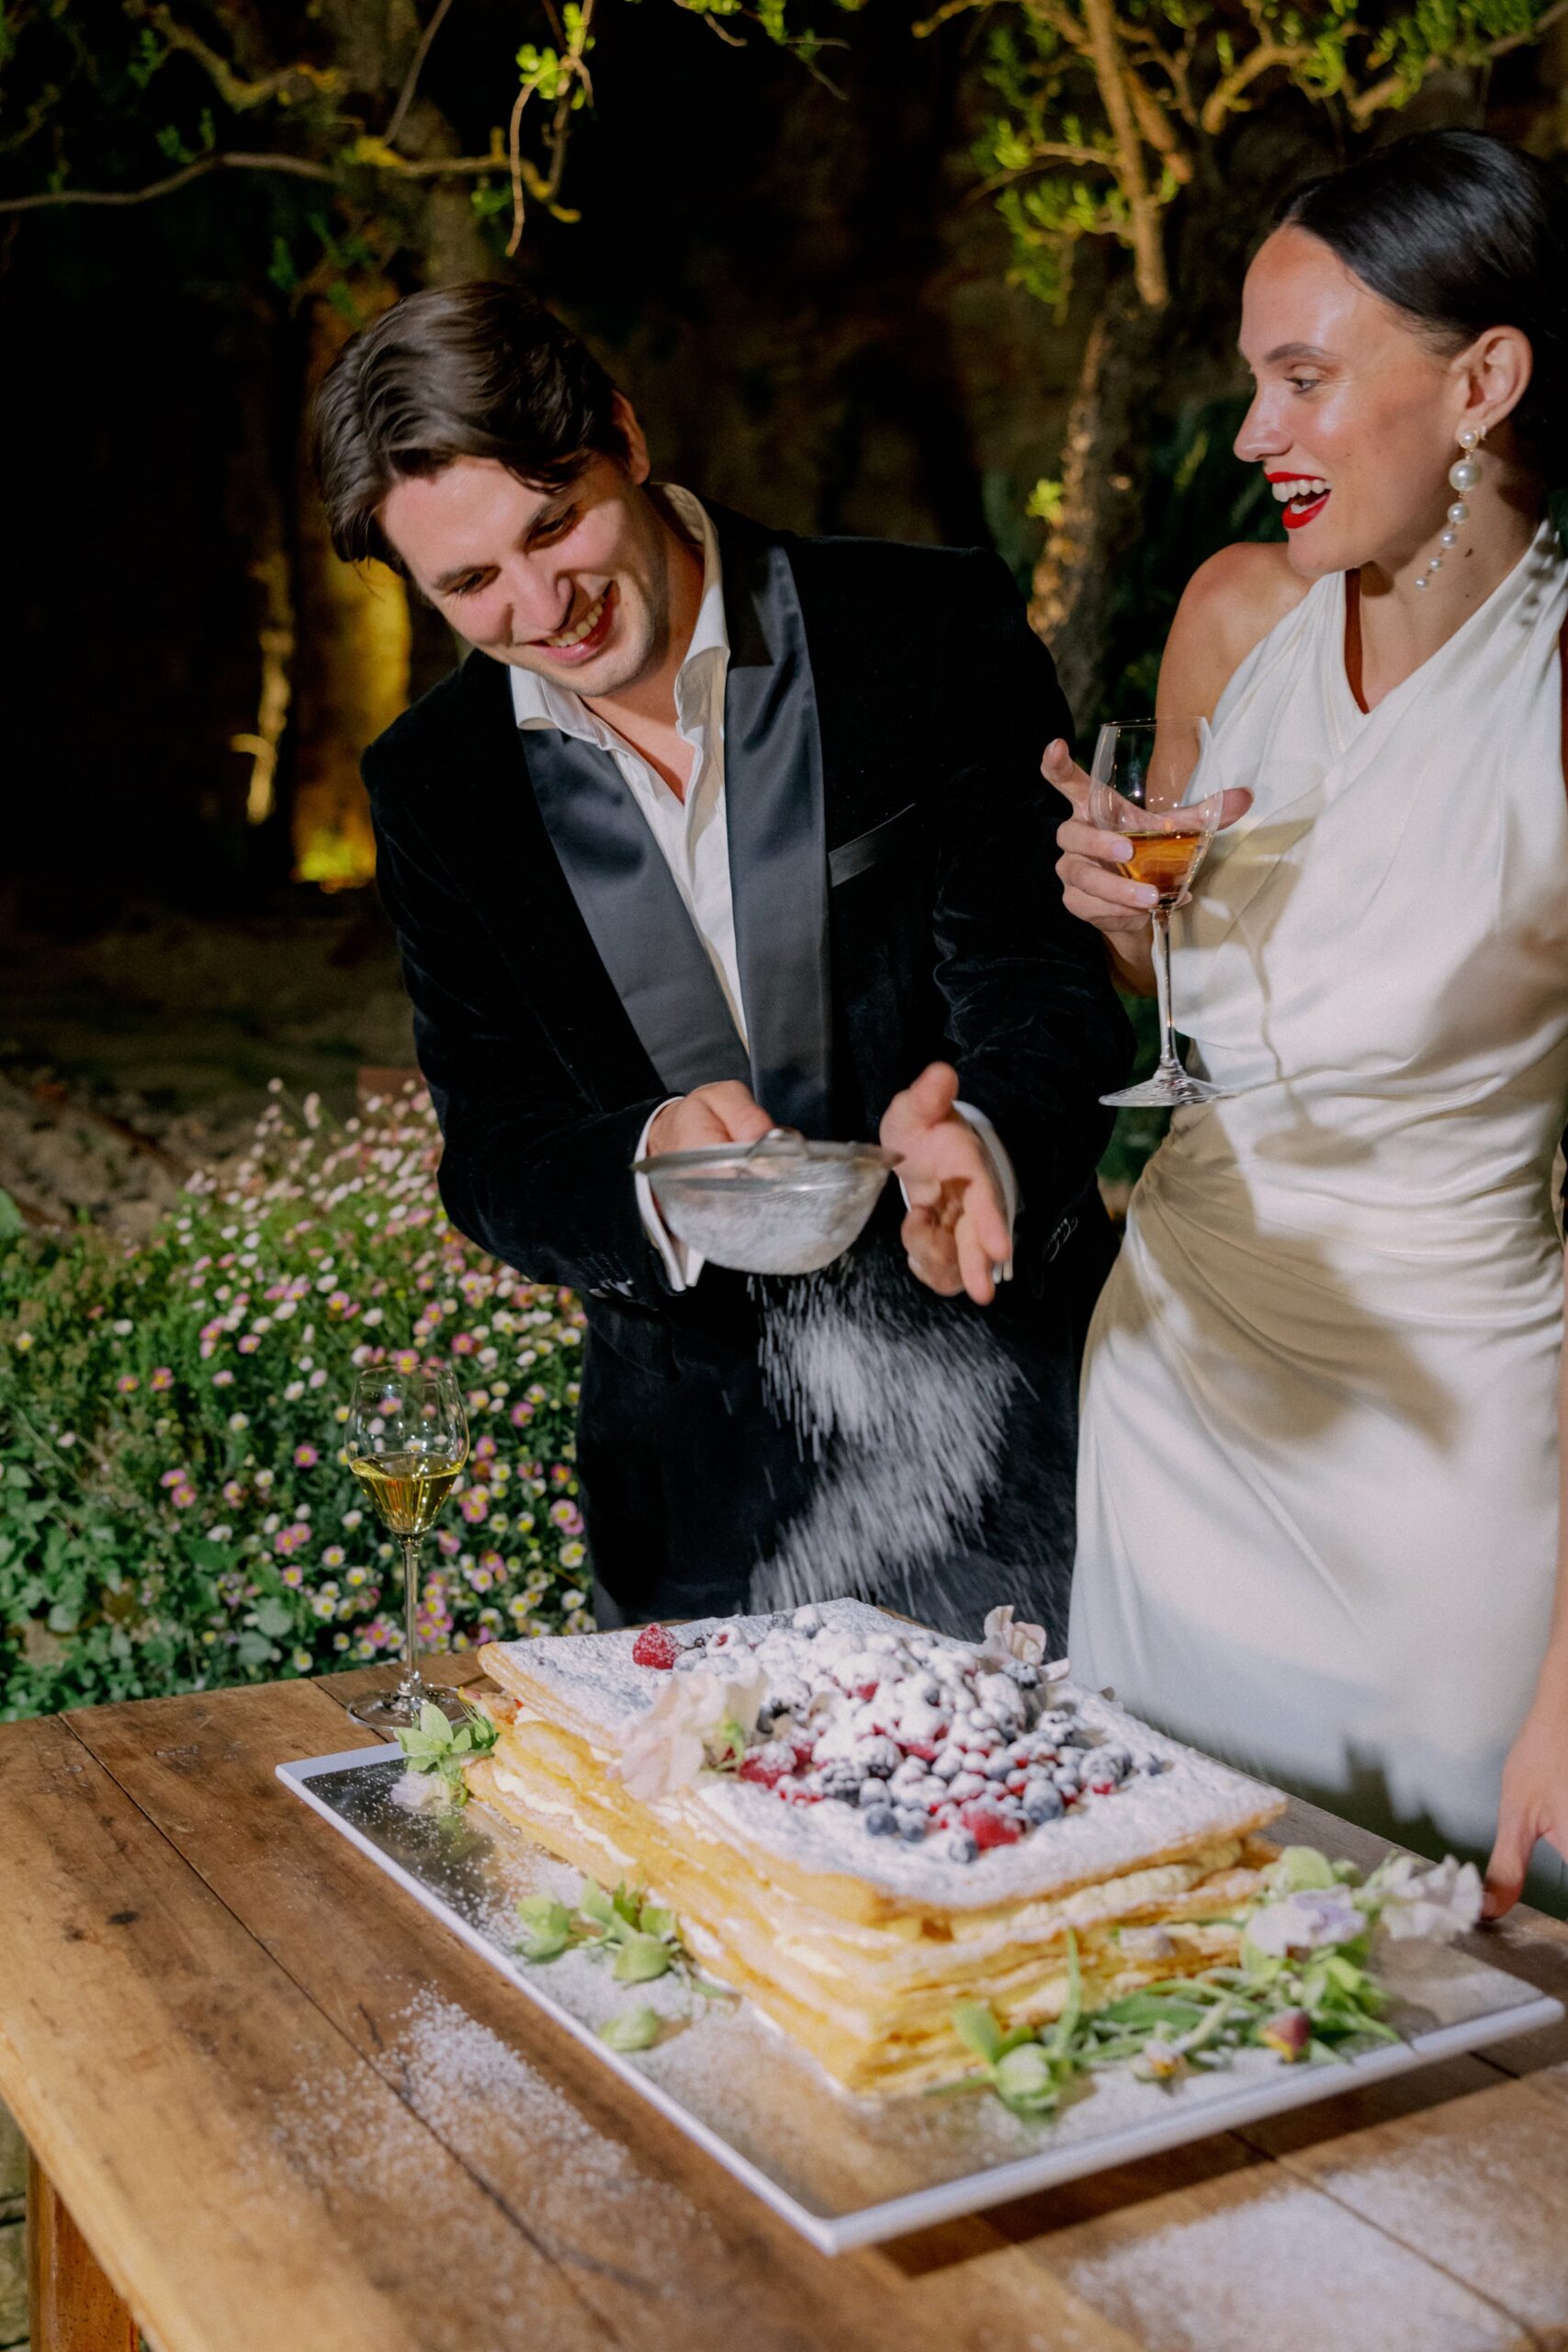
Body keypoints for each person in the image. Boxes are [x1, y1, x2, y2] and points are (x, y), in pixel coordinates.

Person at [310, 283, 1131, 1638]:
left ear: (624, 438)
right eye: (469, 584)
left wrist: (990, 1136)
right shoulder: (431, 785)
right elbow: (496, 1150)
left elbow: (1042, 982)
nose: (541, 606)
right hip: (691, 1496)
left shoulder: (920, 628)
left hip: (1016, 1430)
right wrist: (648, 1165)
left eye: (554, 522)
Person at [1046, 129, 1568, 1912]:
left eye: (1299, 378)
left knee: (1444, 2015)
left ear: (1481, 380)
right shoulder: (1229, 614)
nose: (1253, 433)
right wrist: (1124, 909)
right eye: (1245, 384)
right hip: (1174, 1387)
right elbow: (1180, 990)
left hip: (1444, 1469)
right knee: (1148, 1959)